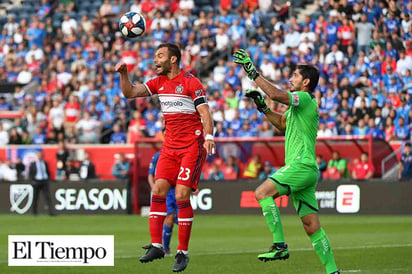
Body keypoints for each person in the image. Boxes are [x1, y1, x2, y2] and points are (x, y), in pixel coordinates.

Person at [233, 49, 339, 274]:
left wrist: (253, 72)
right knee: (311, 227)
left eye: (295, 76)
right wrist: (263, 108)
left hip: (300, 164)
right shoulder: (297, 109)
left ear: (306, 82)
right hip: (306, 169)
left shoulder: (306, 98)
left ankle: (279, 245)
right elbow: (282, 124)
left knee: (262, 193)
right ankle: (333, 271)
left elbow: (278, 95)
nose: (290, 79)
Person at [115, 42, 215, 272]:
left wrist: (209, 135)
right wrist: (124, 74)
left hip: (192, 145)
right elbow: (130, 92)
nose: (155, 60)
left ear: (173, 59)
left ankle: (182, 252)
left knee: (181, 194)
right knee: (158, 189)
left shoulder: (191, 82)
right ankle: (157, 245)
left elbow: (205, 112)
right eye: (155, 56)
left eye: (159, 56)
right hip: (169, 147)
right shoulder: (158, 82)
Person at [148, 150, 177, 256]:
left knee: (177, 219)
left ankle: (166, 246)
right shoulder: (158, 155)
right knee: (169, 217)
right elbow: (150, 174)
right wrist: (154, 188)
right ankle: (165, 248)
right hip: (167, 190)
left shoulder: (181, 151)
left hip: (179, 188)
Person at [29, 151, 54, 216]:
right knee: (35, 197)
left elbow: (47, 172)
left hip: (44, 181)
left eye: (41, 155)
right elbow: (31, 173)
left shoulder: (45, 163)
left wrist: (48, 179)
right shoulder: (33, 164)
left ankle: (50, 212)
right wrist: (33, 181)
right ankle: (34, 212)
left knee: (47, 197)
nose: (40, 156)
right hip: (37, 181)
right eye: (38, 155)